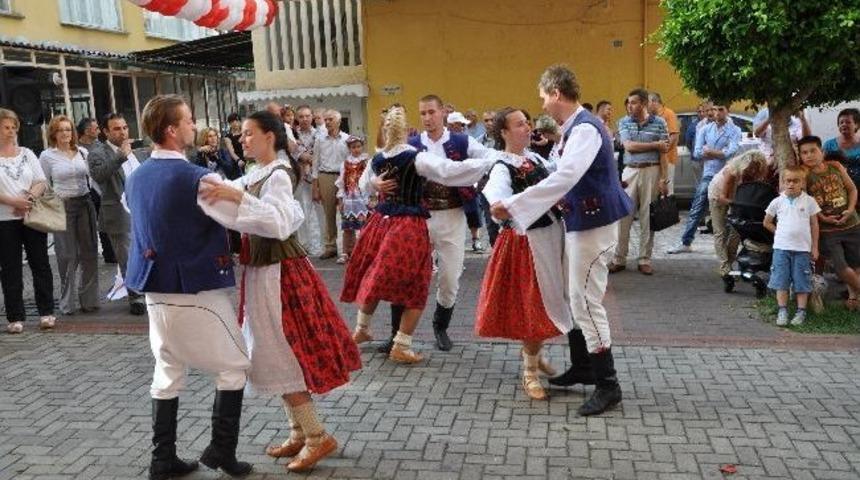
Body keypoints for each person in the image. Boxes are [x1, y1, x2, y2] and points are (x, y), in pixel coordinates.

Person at [199, 110, 361, 472]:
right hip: (264, 272)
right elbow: (233, 197)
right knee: (270, 351)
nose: (242, 139)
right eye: (241, 135)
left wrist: (234, 196)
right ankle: (300, 432)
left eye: (248, 134)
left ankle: (318, 436)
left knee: (281, 350)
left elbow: (276, 223)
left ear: (270, 136)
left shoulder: (279, 175)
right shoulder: (257, 174)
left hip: (280, 274)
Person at [123, 95, 253, 479]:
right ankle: (221, 451)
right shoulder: (199, 178)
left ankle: (162, 459)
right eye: (189, 120)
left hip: (153, 289)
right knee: (234, 367)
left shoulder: (136, 175)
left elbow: (136, 209)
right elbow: (240, 215)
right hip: (196, 289)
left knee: (167, 371)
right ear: (171, 130)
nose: (194, 126)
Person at [491, 64, 633, 416]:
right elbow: (562, 172)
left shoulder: (584, 129)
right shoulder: (575, 129)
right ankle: (585, 366)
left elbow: (567, 176)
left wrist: (513, 204)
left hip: (593, 224)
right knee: (577, 299)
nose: (541, 105)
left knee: (585, 303)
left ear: (556, 93)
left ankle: (608, 384)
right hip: (585, 222)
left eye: (543, 97)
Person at [341, 107, 497, 363]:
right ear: (405, 131)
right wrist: (491, 162)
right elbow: (449, 171)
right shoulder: (415, 157)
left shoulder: (379, 158)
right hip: (408, 225)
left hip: (381, 223)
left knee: (376, 275)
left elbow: (362, 183)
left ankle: (363, 328)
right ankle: (400, 343)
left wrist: (373, 184)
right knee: (414, 284)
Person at [476, 107, 574, 401]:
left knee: (550, 300)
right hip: (526, 242)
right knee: (536, 303)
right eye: (519, 125)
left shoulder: (535, 158)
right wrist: (500, 204)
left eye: (527, 122)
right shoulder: (501, 165)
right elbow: (496, 195)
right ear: (503, 132)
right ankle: (529, 371)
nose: (526, 127)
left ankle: (534, 354)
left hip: (550, 236)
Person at [0, 108, 56, 333]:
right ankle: (15, 316)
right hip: (4, 219)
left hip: (32, 214)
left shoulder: (27, 153)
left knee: (40, 263)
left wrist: (29, 198)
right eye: (6, 127)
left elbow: (41, 180)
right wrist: (14, 202)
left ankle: (47, 312)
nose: (11, 131)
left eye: (14, 127)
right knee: (10, 267)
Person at [39, 115, 100, 316]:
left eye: (68, 129)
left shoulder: (82, 152)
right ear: (53, 134)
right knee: (67, 256)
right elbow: (44, 184)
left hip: (85, 204)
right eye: (60, 130)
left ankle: (89, 301)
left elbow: (93, 180)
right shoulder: (47, 156)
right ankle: (67, 303)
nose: (65, 133)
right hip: (62, 206)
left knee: (90, 254)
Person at [87, 112, 146, 315]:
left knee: (145, 252)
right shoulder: (98, 152)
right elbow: (99, 175)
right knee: (127, 256)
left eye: (124, 128)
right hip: (118, 212)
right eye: (116, 129)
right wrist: (120, 156)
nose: (122, 132)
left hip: (140, 208)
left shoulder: (135, 150)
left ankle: (146, 288)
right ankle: (136, 297)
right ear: (105, 131)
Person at [608, 88, 669, 275]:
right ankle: (619, 258)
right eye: (628, 103)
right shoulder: (624, 122)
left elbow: (664, 152)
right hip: (630, 171)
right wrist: (655, 144)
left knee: (647, 217)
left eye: (633, 102)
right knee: (623, 216)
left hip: (652, 169)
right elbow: (629, 147)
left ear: (643, 103)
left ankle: (644, 258)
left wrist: (664, 178)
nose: (629, 106)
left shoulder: (659, 123)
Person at [667, 103, 742, 254]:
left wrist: (711, 152)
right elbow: (697, 152)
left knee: (730, 209)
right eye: (715, 109)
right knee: (697, 205)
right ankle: (685, 242)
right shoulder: (705, 129)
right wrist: (718, 152)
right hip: (709, 173)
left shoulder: (735, 130)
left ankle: (731, 244)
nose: (717, 113)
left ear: (727, 111)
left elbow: (731, 152)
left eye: (721, 109)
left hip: (727, 173)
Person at [800, 136, 860, 311]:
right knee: (841, 267)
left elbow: (852, 189)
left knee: (856, 264)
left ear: (822, 151)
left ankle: (854, 299)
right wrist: (823, 218)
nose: (809, 155)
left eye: (813, 151)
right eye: (804, 153)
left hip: (852, 223)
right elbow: (805, 203)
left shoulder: (835, 166)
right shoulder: (804, 174)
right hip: (828, 229)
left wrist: (850, 209)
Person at [763, 166, 820, 326]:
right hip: (781, 249)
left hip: (802, 250)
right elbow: (767, 222)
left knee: (802, 280)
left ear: (803, 182)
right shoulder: (777, 201)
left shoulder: (809, 201)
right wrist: (779, 232)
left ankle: (801, 312)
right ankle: (782, 310)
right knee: (781, 280)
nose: (791, 184)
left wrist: (814, 247)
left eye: (796, 181)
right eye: (788, 180)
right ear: (783, 182)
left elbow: (815, 225)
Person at [708, 150, 771, 290]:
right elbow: (722, 197)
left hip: (735, 200)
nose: (754, 171)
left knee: (736, 233)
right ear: (745, 164)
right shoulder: (731, 171)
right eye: (752, 167)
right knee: (720, 232)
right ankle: (724, 268)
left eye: (757, 168)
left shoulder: (754, 175)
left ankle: (729, 265)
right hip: (717, 196)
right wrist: (738, 205)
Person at [312, 109, 350, 259]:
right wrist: (315, 187)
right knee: (328, 214)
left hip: (343, 177)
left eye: (330, 119)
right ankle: (330, 246)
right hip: (325, 177)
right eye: (326, 120)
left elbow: (350, 161)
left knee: (346, 213)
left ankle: (348, 247)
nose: (327, 122)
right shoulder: (320, 140)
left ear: (339, 121)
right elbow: (315, 164)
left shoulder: (347, 139)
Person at [293, 105, 324, 256]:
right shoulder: (293, 136)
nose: (304, 119)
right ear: (297, 119)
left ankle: (322, 244)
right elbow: (293, 155)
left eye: (307, 116)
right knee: (302, 210)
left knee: (320, 211)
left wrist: (311, 160)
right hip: (299, 179)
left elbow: (322, 155)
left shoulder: (319, 133)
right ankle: (304, 244)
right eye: (301, 116)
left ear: (312, 117)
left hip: (317, 177)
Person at [335, 136, 371, 264]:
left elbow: (370, 180)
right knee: (347, 227)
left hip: (362, 199)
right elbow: (341, 182)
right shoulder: (345, 164)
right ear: (349, 148)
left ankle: (362, 252)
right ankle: (345, 252)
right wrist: (340, 200)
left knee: (363, 228)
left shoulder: (367, 162)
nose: (356, 149)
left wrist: (371, 198)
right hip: (349, 199)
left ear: (362, 146)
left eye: (358, 146)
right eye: (353, 147)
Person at [648, 92, 680, 195]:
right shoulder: (651, 117)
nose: (646, 106)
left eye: (647, 102)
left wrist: (663, 150)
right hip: (654, 160)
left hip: (668, 159)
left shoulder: (668, 113)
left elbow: (673, 136)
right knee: (655, 190)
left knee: (667, 190)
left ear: (654, 102)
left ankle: (668, 211)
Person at [823, 108, 860, 191]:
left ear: (856, 125)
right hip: (837, 190)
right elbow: (822, 166)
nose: (843, 124)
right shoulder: (829, 145)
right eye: (841, 122)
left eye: (848, 122)